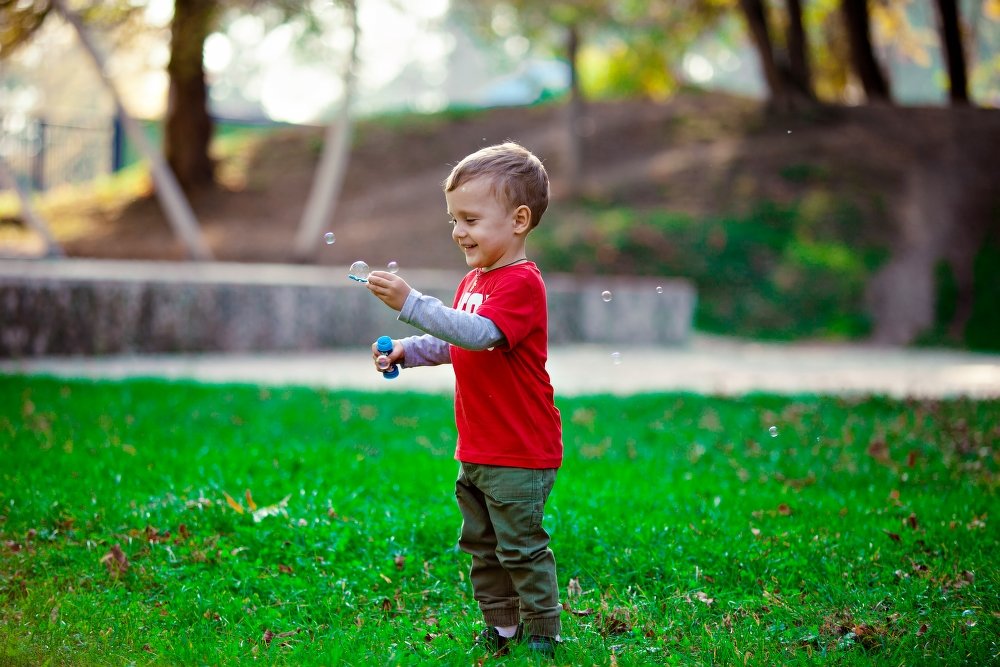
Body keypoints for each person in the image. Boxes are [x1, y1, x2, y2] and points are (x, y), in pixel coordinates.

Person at [364, 142, 563, 657]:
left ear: (519, 220)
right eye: (454, 219)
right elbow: (458, 341)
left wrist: (411, 304)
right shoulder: (474, 280)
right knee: (482, 547)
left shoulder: (522, 284)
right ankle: (501, 630)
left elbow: (479, 334)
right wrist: (408, 350)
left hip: (520, 450)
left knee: (520, 548)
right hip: (477, 448)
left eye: (471, 219)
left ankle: (542, 636)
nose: (458, 232)